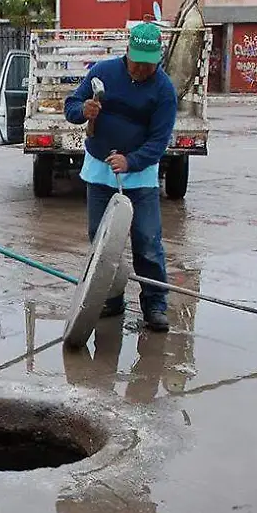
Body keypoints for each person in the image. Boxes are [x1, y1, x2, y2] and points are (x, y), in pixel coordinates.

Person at [64, 22, 176, 333]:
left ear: (158, 59)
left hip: (140, 179)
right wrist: (82, 111)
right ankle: (110, 300)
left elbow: (158, 141)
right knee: (101, 242)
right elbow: (70, 106)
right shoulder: (103, 72)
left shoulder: (164, 90)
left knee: (147, 242)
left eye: (149, 64)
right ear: (127, 51)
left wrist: (131, 161)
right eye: (137, 62)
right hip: (99, 174)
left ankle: (155, 305)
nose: (141, 69)